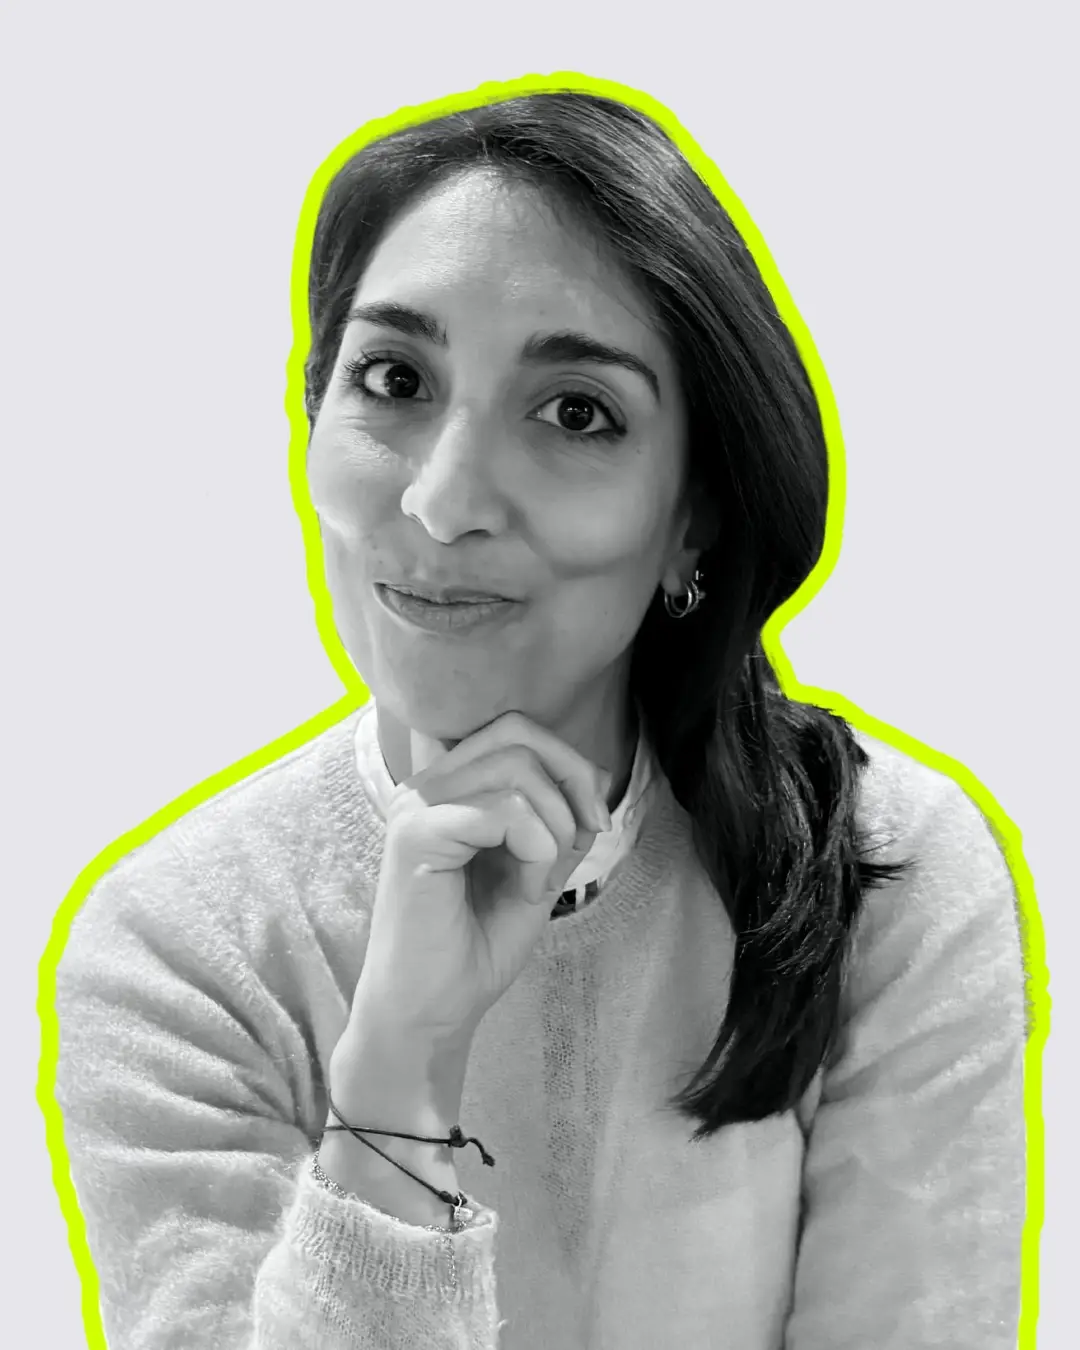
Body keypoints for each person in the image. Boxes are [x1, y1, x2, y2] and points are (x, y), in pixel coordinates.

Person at [50, 87, 1029, 1349]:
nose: (444, 499)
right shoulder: (180, 954)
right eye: (394, 379)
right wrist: (398, 1076)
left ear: (692, 517)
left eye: (576, 411)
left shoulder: (885, 874)